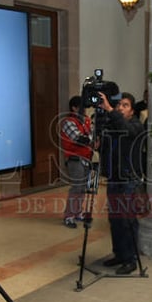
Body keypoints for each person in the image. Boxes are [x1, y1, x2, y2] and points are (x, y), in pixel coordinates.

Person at [97, 91, 145, 275]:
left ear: (132, 111)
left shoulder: (135, 126)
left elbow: (126, 130)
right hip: (114, 178)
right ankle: (119, 254)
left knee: (127, 220)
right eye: (119, 105)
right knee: (115, 219)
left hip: (129, 179)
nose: (120, 108)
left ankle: (131, 259)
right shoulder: (114, 124)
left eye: (125, 105)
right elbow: (105, 147)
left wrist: (110, 109)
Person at [60, 95, 94, 228]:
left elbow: (92, 136)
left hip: (86, 158)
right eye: (82, 107)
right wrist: (92, 138)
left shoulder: (86, 120)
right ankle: (69, 216)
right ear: (74, 108)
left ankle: (78, 212)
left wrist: (92, 137)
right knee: (76, 187)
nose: (85, 110)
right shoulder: (68, 121)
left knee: (83, 188)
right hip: (75, 159)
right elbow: (80, 139)